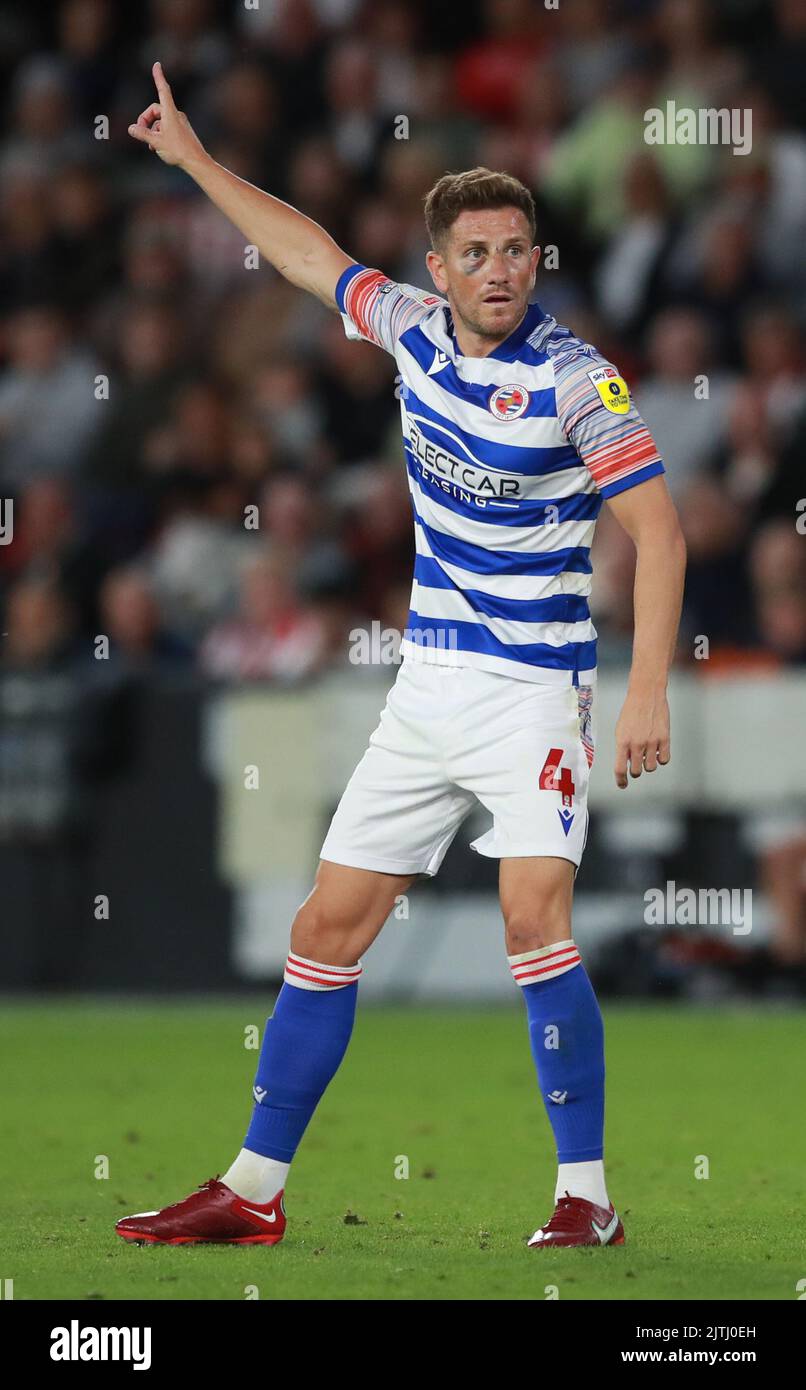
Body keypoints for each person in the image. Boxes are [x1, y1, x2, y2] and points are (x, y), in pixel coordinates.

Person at [116, 62, 686, 1250]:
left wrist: (642, 690)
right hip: (424, 688)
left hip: (533, 693)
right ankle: (254, 1190)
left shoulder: (576, 381)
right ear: (438, 269)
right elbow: (305, 250)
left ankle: (583, 1196)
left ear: (538, 262)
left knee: (535, 914)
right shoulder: (409, 332)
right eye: (473, 252)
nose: (497, 270)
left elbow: (659, 527)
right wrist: (191, 160)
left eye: (516, 249)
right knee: (326, 930)